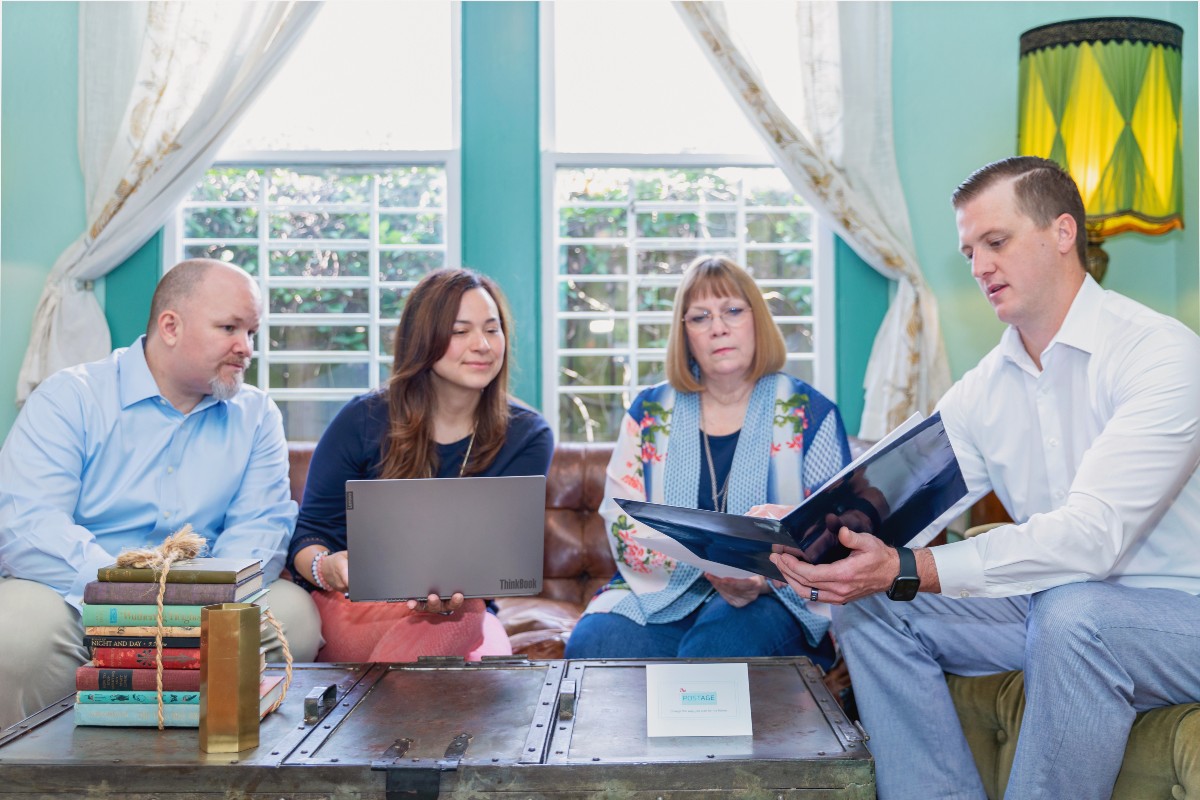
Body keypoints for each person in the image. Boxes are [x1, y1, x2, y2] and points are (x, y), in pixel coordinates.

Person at [764, 157, 1200, 800]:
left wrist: (909, 566)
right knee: (873, 606)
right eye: (970, 251)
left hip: (1179, 615)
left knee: (1072, 614)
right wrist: (804, 530)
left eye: (996, 242)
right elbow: (896, 494)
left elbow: (1093, 538)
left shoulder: (1159, 353)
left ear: (1062, 232)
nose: (978, 267)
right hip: (1054, 606)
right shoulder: (985, 388)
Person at [0, 259, 321, 730]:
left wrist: (203, 601)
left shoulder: (257, 416)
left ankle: (218, 764)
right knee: (13, 632)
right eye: (229, 328)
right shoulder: (70, 397)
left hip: (207, 601)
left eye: (252, 332)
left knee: (295, 616)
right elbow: (28, 525)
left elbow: (261, 528)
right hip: (80, 595)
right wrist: (127, 595)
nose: (246, 347)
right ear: (171, 327)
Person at [565, 256, 851, 666]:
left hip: (775, 597)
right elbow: (622, 517)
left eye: (732, 310)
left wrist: (761, 580)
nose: (718, 328)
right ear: (685, 334)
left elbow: (832, 532)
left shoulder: (810, 412)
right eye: (700, 317)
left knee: (715, 649)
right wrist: (705, 569)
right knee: (594, 644)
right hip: (662, 592)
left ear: (757, 320)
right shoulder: (650, 413)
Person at [288, 267, 553, 662]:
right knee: (467, 649)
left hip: (469, 611)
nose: (482, 345)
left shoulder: (528, 435)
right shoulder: (362, 419)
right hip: (357, 607)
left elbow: (502, 558)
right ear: (423, 339)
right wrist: (326, 568)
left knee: (471, 627)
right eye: (460, 331)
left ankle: (380, 701)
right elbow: (309, 533)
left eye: (492, 329)